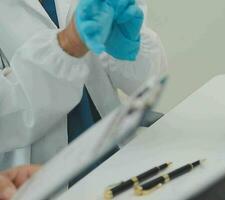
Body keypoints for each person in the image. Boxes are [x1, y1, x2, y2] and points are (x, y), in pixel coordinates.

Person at [0, 0, 167, 170]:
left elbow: (144, 81)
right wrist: (68, 43)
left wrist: (134, 44)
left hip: (117, 155)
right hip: (46, 181)